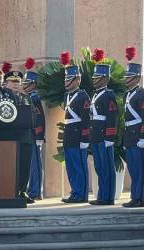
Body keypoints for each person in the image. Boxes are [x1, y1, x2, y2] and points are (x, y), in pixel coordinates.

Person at [61, 62, 90, 203]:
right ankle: (75, 191)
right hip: (69, 135)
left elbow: (86, 119)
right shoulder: (67, 96)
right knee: (70, 166)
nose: (66, 82)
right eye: (65, 79)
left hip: (78, 135)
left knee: (79, 167)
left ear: (77, 80)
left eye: (69, 79)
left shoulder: (83, 96)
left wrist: (85, 139)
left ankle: (81, 194)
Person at [89, 63, 118, 206]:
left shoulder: (108, 95)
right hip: (95, 135)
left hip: (104, 136)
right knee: (99, 167)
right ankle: (101, 195)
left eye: (98, 78)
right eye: (94, 77)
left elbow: (112, 118)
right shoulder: (95, 94)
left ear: (105, 79)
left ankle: (108, 197)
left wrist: (110, 138)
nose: (94, 80)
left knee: (107, 167)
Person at [4, 70, 35, 204]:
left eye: (18, 82)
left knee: (24, 166)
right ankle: (9, 192)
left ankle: (22, 191)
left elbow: (33, 115)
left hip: (25, 137)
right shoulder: (3, 98)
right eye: (13, 81)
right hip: (10, 138)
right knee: (10, 166)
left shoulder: (26, 98)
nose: (16, 84)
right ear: (7, 83)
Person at [122, 47, 144, 207]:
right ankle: (135, 196)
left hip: (138, 135)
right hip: (129, 135)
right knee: (133, 169)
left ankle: (140, 197)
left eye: (129, 76)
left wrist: (142, 137)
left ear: (137, 78)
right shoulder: (127, 94)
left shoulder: (141, 94)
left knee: (140, 169)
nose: (126, 79)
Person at [23, 58, 46, 200]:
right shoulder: (28, 97)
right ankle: (32, 190)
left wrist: (39, 137)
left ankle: (36, 191)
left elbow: (40, 118)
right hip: (29, 135)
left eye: (27, 83)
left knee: (35, 166)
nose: (24, 85)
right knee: (31, 166)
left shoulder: (34, 98)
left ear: (33, 84)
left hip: (35, 136)